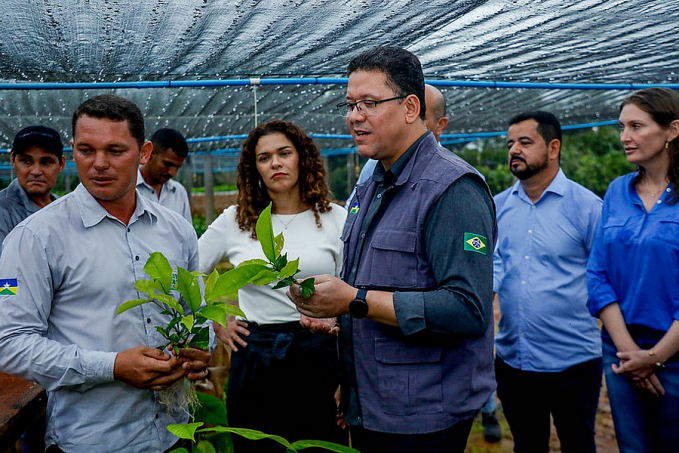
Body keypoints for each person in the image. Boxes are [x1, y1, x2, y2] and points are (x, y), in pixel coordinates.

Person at [288, 46, 496, 453]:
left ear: (410, 107)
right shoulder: (371, 184)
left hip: (422, 415)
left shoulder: (452, 189)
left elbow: (467, 308)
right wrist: (340, 314)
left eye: (369, 103)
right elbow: (380, 284)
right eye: (350, 105)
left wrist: (355, 302)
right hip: (371, 402)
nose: (354, 116)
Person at [0, 94, 210, 453]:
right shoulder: (35, 238)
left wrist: (200, 348)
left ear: (143, 153)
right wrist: (111, 366)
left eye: (115, 151)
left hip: (174, 435)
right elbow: (10, 344)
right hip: (92, 439)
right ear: (73, 151)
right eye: (86, 150)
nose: (99, 164)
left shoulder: (177, 229)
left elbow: (198, 312)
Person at [198, 119, 347, 452]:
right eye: (264, 158)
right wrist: (217, 320)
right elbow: (188, 271)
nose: (275, 163)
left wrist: (347, 375)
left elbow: (354, 294)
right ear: (255, 169)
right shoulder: (235, 221)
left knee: (320, 444)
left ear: (302, 158)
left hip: (318, 352)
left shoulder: (337, 219)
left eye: (284, 153)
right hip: (256, 354)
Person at [493, 111, 603, 453]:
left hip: (574, 362)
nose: (514, 150)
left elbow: (604, 276)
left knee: (578, 443)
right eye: (510, 143)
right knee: (526, 445)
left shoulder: (588, 209)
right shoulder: (495, 209)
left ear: (553, 147)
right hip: (514, 360)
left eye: (525, 142)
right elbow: (486, 262)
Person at [587, 87, 679, 453]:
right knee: (633, 446)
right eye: (621, 126)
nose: (625, 137)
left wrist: (655, 357)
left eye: (637, 126)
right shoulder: (616, 191)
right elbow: (597, 274)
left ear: (672, 130)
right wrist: (629, 352)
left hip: (673, 354)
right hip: (621, 351)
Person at [345, 83, 449, 205]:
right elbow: (354, 207)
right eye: (351, 105)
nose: (410, 119)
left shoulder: (452, 177)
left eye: (421, 116)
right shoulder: (375, 165)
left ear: (441, 125)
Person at [0, 125, 65, 255]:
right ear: (13, 160)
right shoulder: (3, 211)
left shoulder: (65, 209)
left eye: (46, 162)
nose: (36, 172)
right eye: (26, 161)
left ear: (61, 164)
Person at [137, 128, 192, 222]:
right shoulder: (128, 189)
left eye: (177, 167)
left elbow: (186, 234)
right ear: (149, 153)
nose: (172, 172)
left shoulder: (178, 192)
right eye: (168, 164)